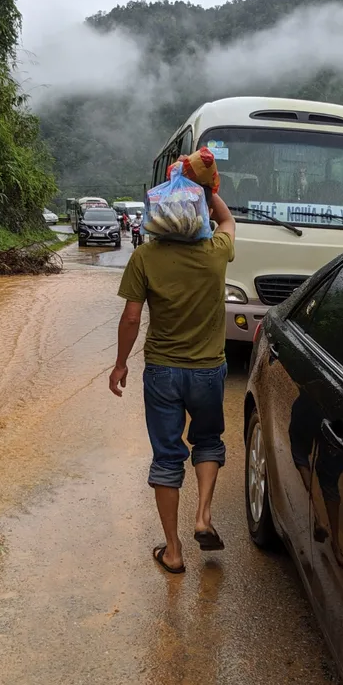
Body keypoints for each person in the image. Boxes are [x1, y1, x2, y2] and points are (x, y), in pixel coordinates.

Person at [109, 187, 236, 574]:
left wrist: (119, 365)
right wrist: (209, 189)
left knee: (167, 456)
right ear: (198, 214)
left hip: (163, 371)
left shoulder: (145, 256)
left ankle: (173, 551)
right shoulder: (215, 252)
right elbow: (229, 220)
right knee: (208, 441)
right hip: (208, 370)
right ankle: (202, 515)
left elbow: (131, 318)